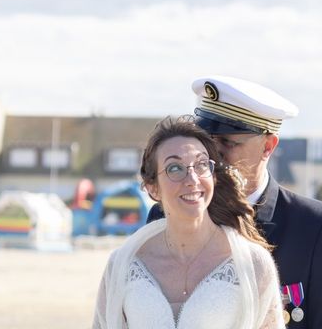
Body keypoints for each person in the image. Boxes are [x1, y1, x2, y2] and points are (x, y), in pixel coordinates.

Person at [148, 76, 322, 328]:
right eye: (207, 142)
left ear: (268, 146)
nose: (213, 155)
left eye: (228, 143)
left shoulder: (317, 227)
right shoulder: (166, 214)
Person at [92, 116, 285, 329]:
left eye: (201, 165)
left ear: (213, 177)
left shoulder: (253, 264)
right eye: (175, 168)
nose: (192, 179)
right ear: (152, 188)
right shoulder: (123, 263)